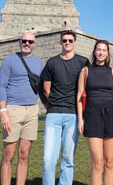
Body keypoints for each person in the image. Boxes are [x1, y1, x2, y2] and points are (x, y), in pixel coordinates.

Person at [41, 30, 88, 185]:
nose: (67, 43)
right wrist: (53, 104)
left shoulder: (83, 62)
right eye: (64, 40)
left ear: (75, 42)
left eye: (70, 40)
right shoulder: (52, 62)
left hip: (73, 115)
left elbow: (86, 89)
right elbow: (46, 89)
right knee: (48, 159)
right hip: (53, 114)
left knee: (68, 158)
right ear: (60, 42)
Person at [0, 32, 44, 185]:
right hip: (13, 110)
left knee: (24, 155)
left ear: (34, 44)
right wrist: (3, 112)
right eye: (24, 41)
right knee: (8, 155)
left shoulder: (39, 63)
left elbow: (43, 88)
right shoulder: (9, 60)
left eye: (30, 41)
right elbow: (2, 86)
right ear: (19, 42)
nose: (27, 43)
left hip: (31, 111)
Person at [77, 40, 113, 185]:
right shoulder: (86, 71)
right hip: (92, 115)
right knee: (97, 162)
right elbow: (79, 96)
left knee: (109, 162)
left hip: (111, 115)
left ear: (108, 53)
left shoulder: (112, 72)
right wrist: (80, 120)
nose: (101, 52)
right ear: (94, 52)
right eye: (98, 49)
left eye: (104, 50)